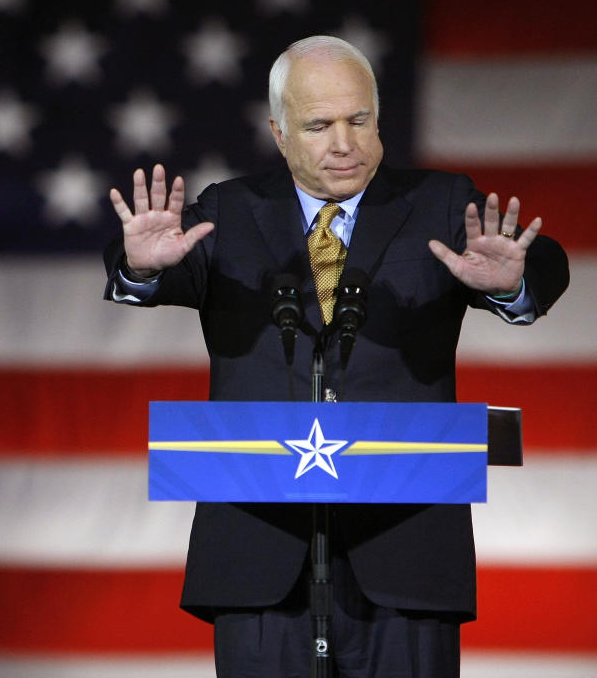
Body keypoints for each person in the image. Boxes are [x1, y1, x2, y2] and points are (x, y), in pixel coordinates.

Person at [104, 36, 568, 677]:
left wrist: (512, 282)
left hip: (405, 551)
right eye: (319, 125)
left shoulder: (438, 203)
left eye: (359, 120)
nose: (343, 142)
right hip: (263, 552)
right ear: (280, 132)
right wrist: (138, 267)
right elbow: (157, 275)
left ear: (380, 119)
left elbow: (542, 265)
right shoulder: (233, 212)